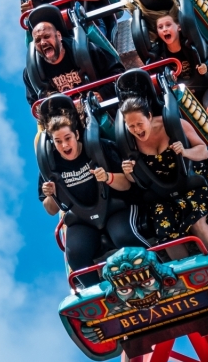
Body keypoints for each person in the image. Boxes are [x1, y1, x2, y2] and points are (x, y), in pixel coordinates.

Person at [40, 113, 146, 278]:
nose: (65, 145)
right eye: (58, 141)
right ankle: (97, 293)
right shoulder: (50, 164)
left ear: (76, 134)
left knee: (123, 236)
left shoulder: (98, 148)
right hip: (82, 219)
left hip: (115, 207)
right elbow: (50, 210)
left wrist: (107, 177)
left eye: (68, 138)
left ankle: (153, 268)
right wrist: (51, 194)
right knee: (75, 254)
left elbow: (127, 185)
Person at [119, 96, 208, 257]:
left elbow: (204, 151)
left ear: (149, 116)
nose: (137, 130)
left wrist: (185, 152)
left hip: (190, 181)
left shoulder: (173, 125)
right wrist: (128, 171)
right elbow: (133, 181)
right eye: (131, 126)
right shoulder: (129, 142)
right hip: (162, 193)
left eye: (139, 124)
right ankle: (188, 276)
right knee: (165, 234)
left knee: (196, 222)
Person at [154, 11, 208, 142]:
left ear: (179, 27)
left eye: (168, 25)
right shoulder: (161, 55)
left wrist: (206, 66)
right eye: (160, 27)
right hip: (187, 92)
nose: (165, 29)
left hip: (206, 85)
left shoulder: (192, 44)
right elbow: (160, 77)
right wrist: (169, 79)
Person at [23, 5, 123, 106]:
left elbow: (118, 73)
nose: (43, 42)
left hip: (97, 106)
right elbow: (35, 103)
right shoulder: (32, 71)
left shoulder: (88, 51)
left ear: (58, 36)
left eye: (47, 36)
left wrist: (103, 94)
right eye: (38, 40)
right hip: (65, 116)